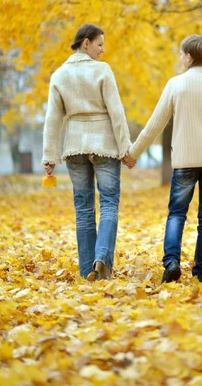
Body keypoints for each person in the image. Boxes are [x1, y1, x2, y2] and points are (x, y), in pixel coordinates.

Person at [126, 35, 202, 283]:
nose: (181, 58)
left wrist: (132, 153)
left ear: (189, 56)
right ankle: (201, 272)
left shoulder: (176, 85)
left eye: (182, 54)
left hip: (185, 162)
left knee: (177, 214)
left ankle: (171, 263)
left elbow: (154, 125)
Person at [42, 24, 135, 281]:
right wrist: (126, 149)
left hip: (74, 148)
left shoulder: (59, 75)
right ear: (86, 43)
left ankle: (87, 273)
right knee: (109, 204)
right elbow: (116, 112)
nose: (102, 50)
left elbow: (53, 119)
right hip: (105, 146)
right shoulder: (102, 71)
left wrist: (50, 156)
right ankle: (102, 259)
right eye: (99, 44)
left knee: (83, 209)